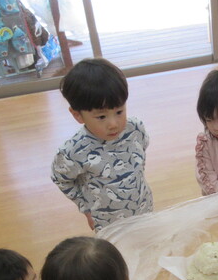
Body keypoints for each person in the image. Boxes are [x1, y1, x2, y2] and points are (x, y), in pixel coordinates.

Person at [51, 58, 153, 232]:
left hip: (144, 208)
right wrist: (85, 208)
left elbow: (140, 157)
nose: (113, 124)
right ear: (77, 115)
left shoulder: (135, 128)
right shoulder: (73, 151)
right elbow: (61, 178)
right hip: (107, 222)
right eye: (101, 117)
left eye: (119, 111)